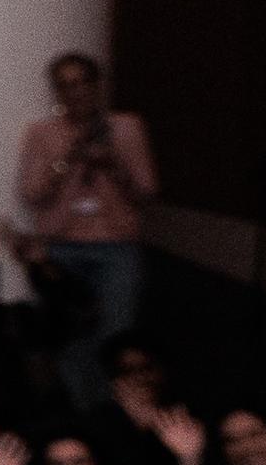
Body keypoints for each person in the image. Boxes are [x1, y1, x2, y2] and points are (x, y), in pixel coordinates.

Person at [9, 51, 157, 404]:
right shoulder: (42, 133)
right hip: (62, 248)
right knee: (67, 335)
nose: (75, 92)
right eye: (65, 86)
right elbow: (31, 194)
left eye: (82, 83)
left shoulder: (126, 127)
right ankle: (78, 410)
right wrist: (67, 160)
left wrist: (115, 165)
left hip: (116, 247)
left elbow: (147, 191)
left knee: (116, 333)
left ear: (97, 85)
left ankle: (114, 411)